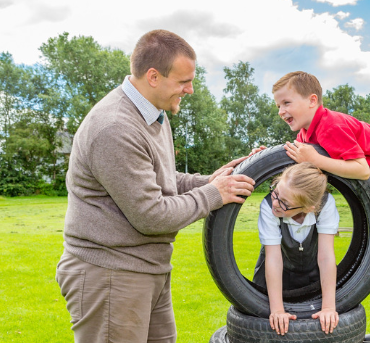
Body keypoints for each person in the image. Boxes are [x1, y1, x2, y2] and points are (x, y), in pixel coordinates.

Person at [55, 29, 255, 343]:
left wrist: (211, 181)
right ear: (153, 76)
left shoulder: (154, 116)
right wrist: (214, 194)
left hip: (146, 268)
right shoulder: (116, 127)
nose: (190, 89)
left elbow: (160, 180)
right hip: (111, 275)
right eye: (183, 81)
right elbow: (151, 214)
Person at [270, 71, 370, 343]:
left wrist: (315, 158)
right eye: (278, 106)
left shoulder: (331, 125)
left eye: (286, 103)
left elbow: (361, 169)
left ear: (312, 100)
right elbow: (303, 163)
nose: (281, 111)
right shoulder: (307, 134)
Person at [252, 162, 340, 336]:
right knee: (265, 325)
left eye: (285, 203)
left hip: (311, 276)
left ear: (308, 208)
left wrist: (328, 307)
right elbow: (274, 259)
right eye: (275, 193)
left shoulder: (325, 205)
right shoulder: (269, 206)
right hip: (273, 276)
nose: (275, 203)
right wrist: (277, 310)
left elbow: (326, 256)